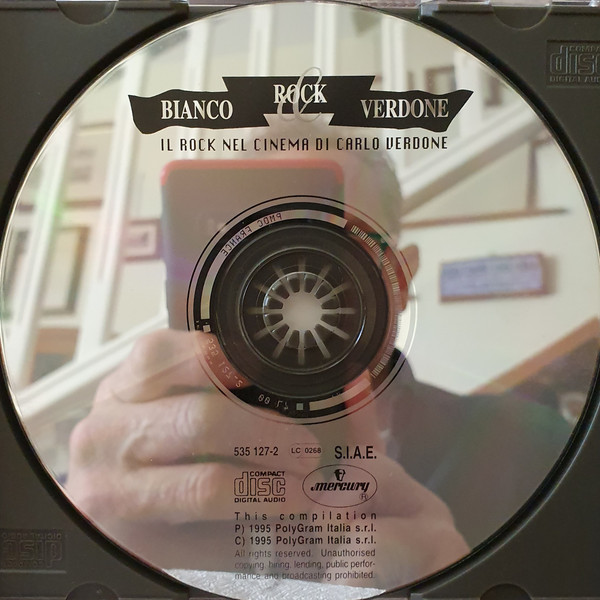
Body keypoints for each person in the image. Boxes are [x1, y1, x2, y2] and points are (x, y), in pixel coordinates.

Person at [66, 124, 571, 597]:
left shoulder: (536, 450)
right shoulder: (127, 472)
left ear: (399, 278)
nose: (289, 292)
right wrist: (93, 558)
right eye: (253, 259)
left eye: (329, 251)